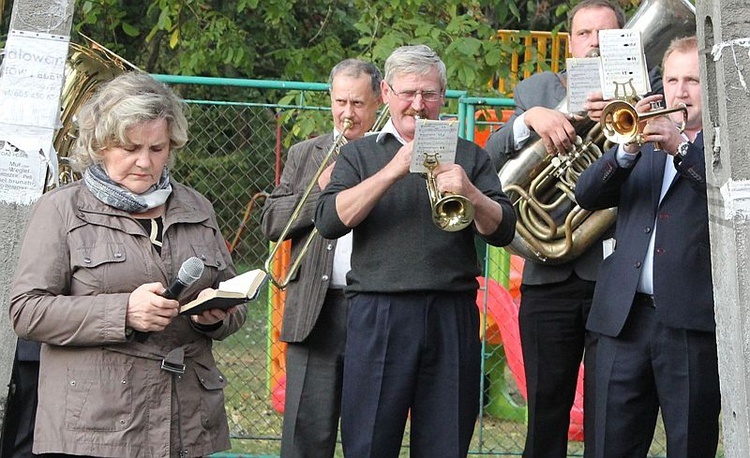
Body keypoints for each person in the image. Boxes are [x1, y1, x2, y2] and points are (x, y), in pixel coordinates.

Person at [8, 72, 247, 457]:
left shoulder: (197, 207)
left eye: (157, 148)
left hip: (185, 423)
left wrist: (215, 316)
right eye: (130, 147)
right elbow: (27, 311)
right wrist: (124, 312)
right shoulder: (62, 209)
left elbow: (235, 300)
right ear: (100, 145)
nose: (144, 161)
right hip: (97, 428)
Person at [315, 44, 516, 458]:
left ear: (442, 96)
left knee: (446, 444)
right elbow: (329, 221)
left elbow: (503, 230)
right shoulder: (359, 153)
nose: (418, 104)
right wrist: (392, 170)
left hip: (451, 315)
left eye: (428, 93)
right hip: (379, 312)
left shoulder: (469, 155)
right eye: (408, 93)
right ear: (386, 93)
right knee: (369, 442)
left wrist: (472, 193)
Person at [483, 1, 630, 456]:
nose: (594, 43)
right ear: (570, 42)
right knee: (546, 414)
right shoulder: (538, 89)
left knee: (611, 415)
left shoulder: (644, 94)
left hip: (616, 278)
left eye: (605, 35)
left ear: (623, 41)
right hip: (549, 278)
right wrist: (528, 121)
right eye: (585, 34)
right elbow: (489, 163)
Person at [575, 36, 720, 457]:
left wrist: (681, 147)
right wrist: (626, 149)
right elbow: (586, 195)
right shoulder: (641, 141)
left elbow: (728, 199)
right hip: (623, 318)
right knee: (607, 446)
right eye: (672, 79)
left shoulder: (725, 145)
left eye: (692, 80)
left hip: (692, 322)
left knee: (690, 445)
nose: (680, 91)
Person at [260, 58, 382, 458]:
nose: (348, 113)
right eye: (341, 102)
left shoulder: (390, 155)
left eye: (358, 104)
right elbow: (273, 222)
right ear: (330, 100)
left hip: (375, 307)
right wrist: (322, 191)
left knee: (370, 435)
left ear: (379, 102)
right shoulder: (304, 154)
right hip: (316, 308)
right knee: (304, 438)